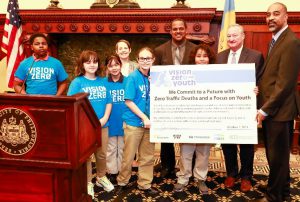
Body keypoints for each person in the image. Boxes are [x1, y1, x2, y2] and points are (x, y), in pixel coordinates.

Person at [255, 3, 300, 202]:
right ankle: (282, 189)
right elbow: (271, 77)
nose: (270, 18)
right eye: (268, 15)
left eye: (275, 14)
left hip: (279, 111)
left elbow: (285, 84)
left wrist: (264, 110)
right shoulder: (276, 39)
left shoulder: (290, 42)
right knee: (277, 157)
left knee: (278, 157)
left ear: (286, 16)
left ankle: (274, 197)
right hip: (275, 109)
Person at [216, 24, 264, 192]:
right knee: (227, 142)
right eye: (228, 36)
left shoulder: (256, 56)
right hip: (225, 107)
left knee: (246, 144)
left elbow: (261, 80)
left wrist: (258, 89)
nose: (231, 39)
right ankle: (231, 173)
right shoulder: (220, 57)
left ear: (243, 36)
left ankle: (246, 176)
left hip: (245, 107)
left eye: (235, 36)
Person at [67, 50, 114, 199]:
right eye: (88, 62)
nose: (92, 65)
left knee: (101, 154)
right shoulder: (77, 82)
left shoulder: (104, 81)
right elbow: (71, 105)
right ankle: (87, 182)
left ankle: (101, 177)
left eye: (95, 61)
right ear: (82, 64)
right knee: (86, 156)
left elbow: (109, 101)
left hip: (102, 125)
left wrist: (105, 117)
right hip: (85, 128)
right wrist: (86, 123)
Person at [154, 18, 197, 178]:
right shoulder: (159, 51)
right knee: (167, 136)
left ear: (186, 30)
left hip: (189, 100)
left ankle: (189, 166)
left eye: (181, 28)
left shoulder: (195, 49)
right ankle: (167, 165)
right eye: (175, 29)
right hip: (167, 101)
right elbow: (155, 75)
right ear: (170, 31)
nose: (178, 31)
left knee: (188, 135)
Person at [115, 47, 158, 195]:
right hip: (134, 123)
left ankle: (144, 184)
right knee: (128, 155)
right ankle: (122, 181)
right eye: (142, 58)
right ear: (138, 60)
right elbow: (128, 101)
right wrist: (144, 117)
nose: (145, 61)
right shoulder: (132, 77)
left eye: (148, 58)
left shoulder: (157, 77)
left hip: (150, 124)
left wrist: (157, 84)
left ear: (153, 60)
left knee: (147, 156)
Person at [173, 44, 215, 194]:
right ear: (194, 58)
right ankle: (183, 178)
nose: (202, 59)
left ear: (209, 59)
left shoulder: (217, 74)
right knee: (186, 150)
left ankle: (201, 178)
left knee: (203, 151)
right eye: (199, 56)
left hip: (207, 118)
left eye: (205, 56)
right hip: (188, 118)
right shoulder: (185, 74)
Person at [104, 55, 126, 185]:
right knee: (111, 148)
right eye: (111, 65)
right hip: (110, 120)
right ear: (107, 67)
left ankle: (123, 171)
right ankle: (112, 172)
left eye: (116, 64)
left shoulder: (128, 81)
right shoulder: (103, 82)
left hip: (124, 120)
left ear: (120, 65)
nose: (114, 68)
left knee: (123, 148)